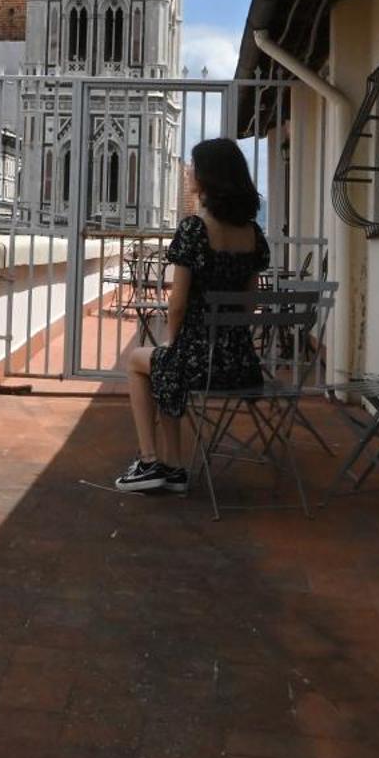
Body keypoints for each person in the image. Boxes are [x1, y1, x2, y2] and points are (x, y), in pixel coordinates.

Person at [115, 138, 270, 493]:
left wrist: (175, 341)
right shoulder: (253, 234)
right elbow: (250, 303)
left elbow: (179, 303)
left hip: (200, 360)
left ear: (209, 178)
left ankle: (151, 458)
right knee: (165, 367)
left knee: (142, 363)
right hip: (242, 364)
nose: (189, 174)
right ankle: (173, 468)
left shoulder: (194, 230)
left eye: (194, 169)